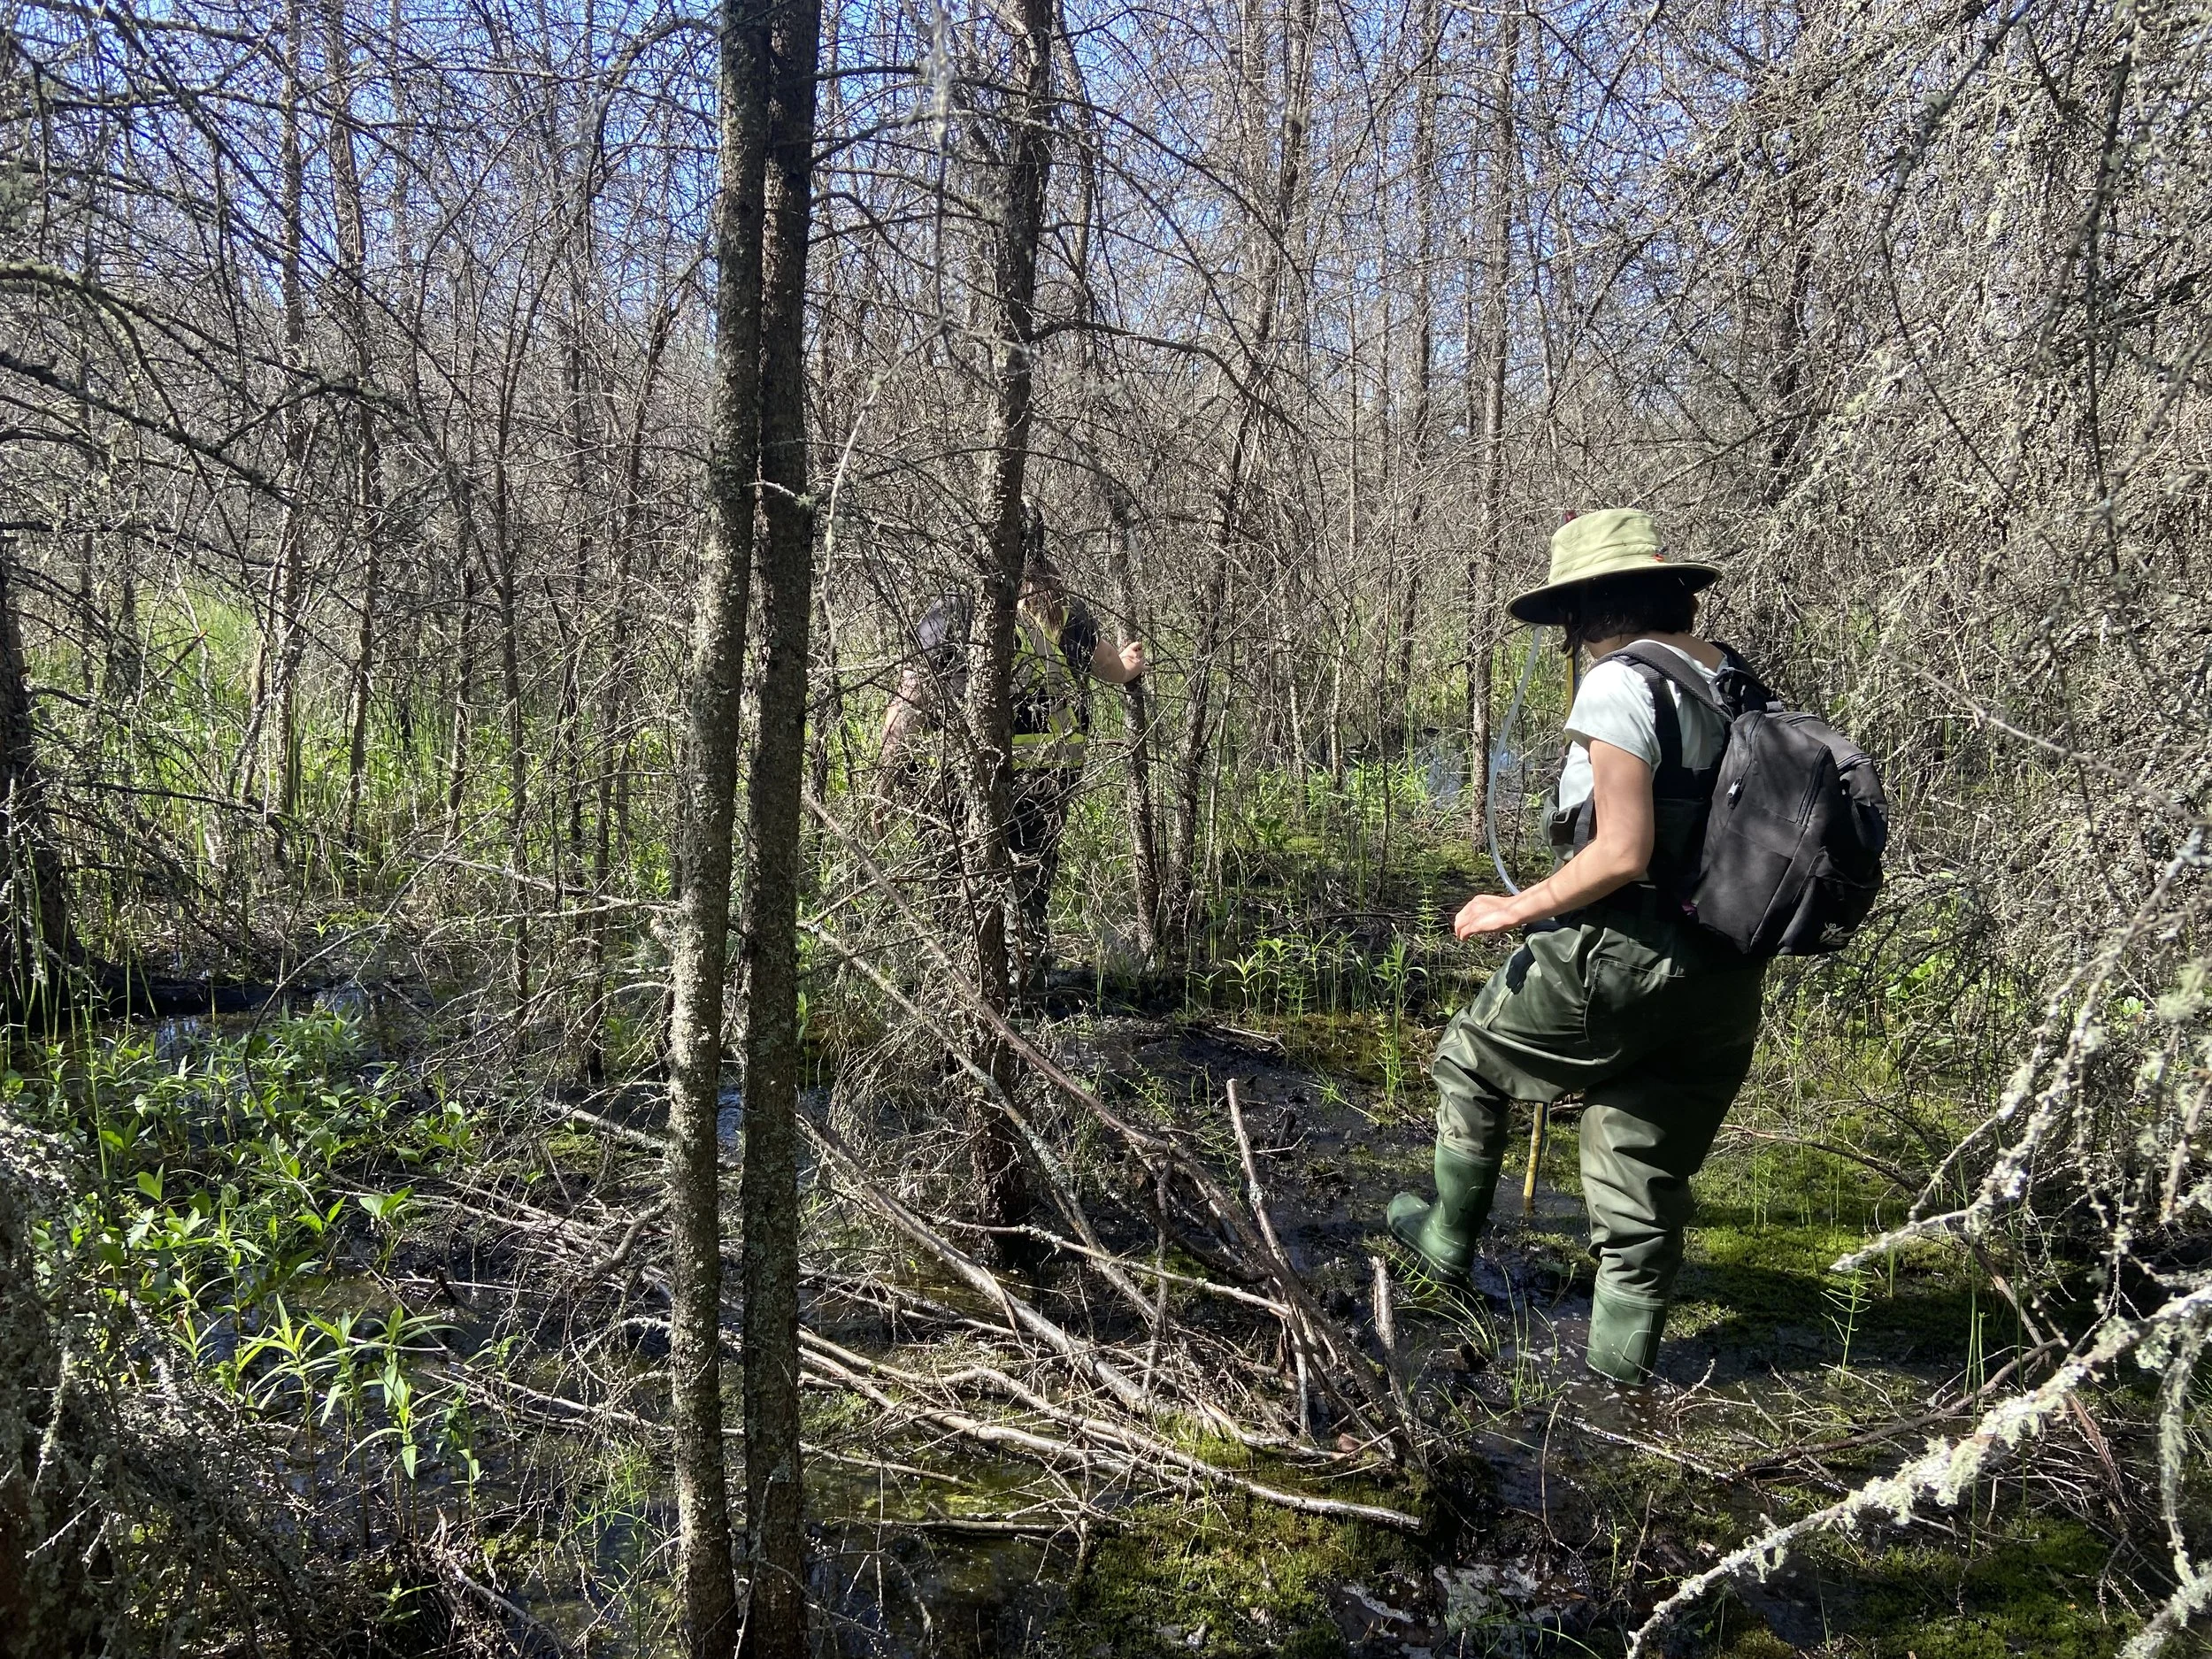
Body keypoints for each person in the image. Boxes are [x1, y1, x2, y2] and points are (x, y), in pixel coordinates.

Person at [1385, 507, 1766, 1386]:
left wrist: (1515, 910)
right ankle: (1615, 1389)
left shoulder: (1620, 682)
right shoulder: (1734, 680)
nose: (1566, 634)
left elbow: (1622, 852)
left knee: (1470, 1060)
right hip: (1725, 972)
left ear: (1589, 606)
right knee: (1636, 1164)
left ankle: (1443, 1243)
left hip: (1622, 953)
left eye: (1568, 615)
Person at [877, 506, 1145, 990]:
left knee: (957, 882)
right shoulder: (1060, 613)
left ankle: (966, 987)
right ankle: (1028, 984)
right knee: (1030, 884)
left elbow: (909, 701)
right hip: (1045, 779)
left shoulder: (949, 614)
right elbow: (1110, 667)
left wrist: (884, 773)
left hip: (961, 781)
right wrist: (1129, 666)